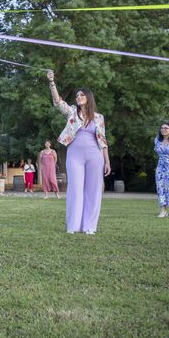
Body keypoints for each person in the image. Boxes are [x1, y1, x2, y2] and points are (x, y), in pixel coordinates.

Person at [47, 70, 110, 234]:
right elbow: (57, 102)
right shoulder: (72, 113)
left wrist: (107, 161)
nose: (78, 97)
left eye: (81, 95)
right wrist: (52, 82)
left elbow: (103, 140)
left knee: (93, 190)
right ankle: (73, 226)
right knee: (75, 188)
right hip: (75, 154)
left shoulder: (99, 117)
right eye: (77, 96)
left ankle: (89, 227)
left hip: (95, 156)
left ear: (88, 97)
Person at [154, 122, 169, 218]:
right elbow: (158, 152)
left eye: (166, 128)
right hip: (160, 166)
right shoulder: (157, 140)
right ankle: (163, 210)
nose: (163, 129)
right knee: (160, 187)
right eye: (162, 128)